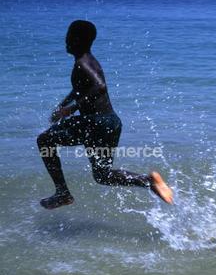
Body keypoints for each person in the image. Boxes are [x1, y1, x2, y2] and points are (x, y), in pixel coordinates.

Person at [37, 20, 174, 209]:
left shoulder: (82, 63)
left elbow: (99, 87)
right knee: (103, 175)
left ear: (77, 39)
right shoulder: (89, 61)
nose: (66, 40)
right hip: (110, 122)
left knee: (44, 140)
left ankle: (62, 193)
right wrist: (63, 105)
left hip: (95, 122)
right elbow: (80, 89)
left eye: (69, 36)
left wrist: (72, 108)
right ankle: (149, 182)